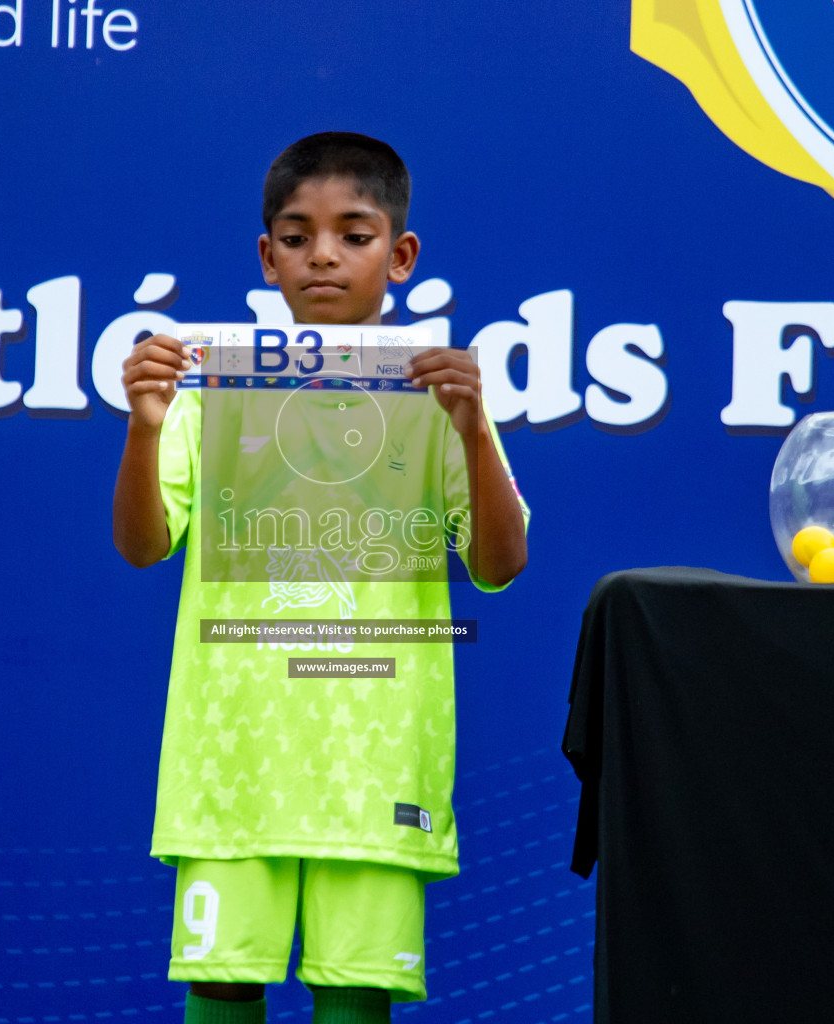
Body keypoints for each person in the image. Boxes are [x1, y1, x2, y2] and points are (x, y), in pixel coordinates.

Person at [112, 132, 529, 1024]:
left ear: (401, 254)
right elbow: (144, 546)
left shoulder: (436, 396)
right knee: (224, 984)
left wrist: (474, 429)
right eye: (296, 237)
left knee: (356, 998)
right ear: (267, 259)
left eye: (355, 233)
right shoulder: (209, 390)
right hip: (232, 762)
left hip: (376, 765)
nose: (324, 256)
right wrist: (145, 427)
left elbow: (498, 567)